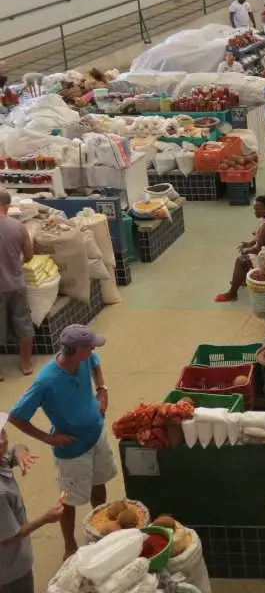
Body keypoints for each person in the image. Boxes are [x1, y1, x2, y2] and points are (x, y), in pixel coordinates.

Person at [9, 324, 114, 559]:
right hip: (72, 450)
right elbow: (16, 416)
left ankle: (101, 527)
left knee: (99, 483)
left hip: (96, 434)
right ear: (77, 350)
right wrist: (49, 438)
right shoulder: (46, 381)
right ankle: (69, 545)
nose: (94, 349)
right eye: (90, 346)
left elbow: (96, 363)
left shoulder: (85, 358)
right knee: (69, 500)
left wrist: (102, 389)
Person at [0, 411, 65, 593]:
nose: (2, 442)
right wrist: (46, 518)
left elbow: (16, 447)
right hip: (10, 570)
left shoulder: (1, 457)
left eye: (2, 433)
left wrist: (21, 454)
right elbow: (10, 537)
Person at [215, 196, 265, 302]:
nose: (255, 211)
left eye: (258, 209)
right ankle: (242, 278)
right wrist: (249, 243)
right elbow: (263, 237)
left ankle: (232, 294)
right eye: (254, 209)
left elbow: (257, 249)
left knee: (241, 260)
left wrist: (246, 250)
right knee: (246, 255)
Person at [0, 189, 34, 378]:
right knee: (23, 324)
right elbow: (29, 255)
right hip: (16, 284)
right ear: (8, 205)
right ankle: (26, 363)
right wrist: (17, 262)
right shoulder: (18, 227)